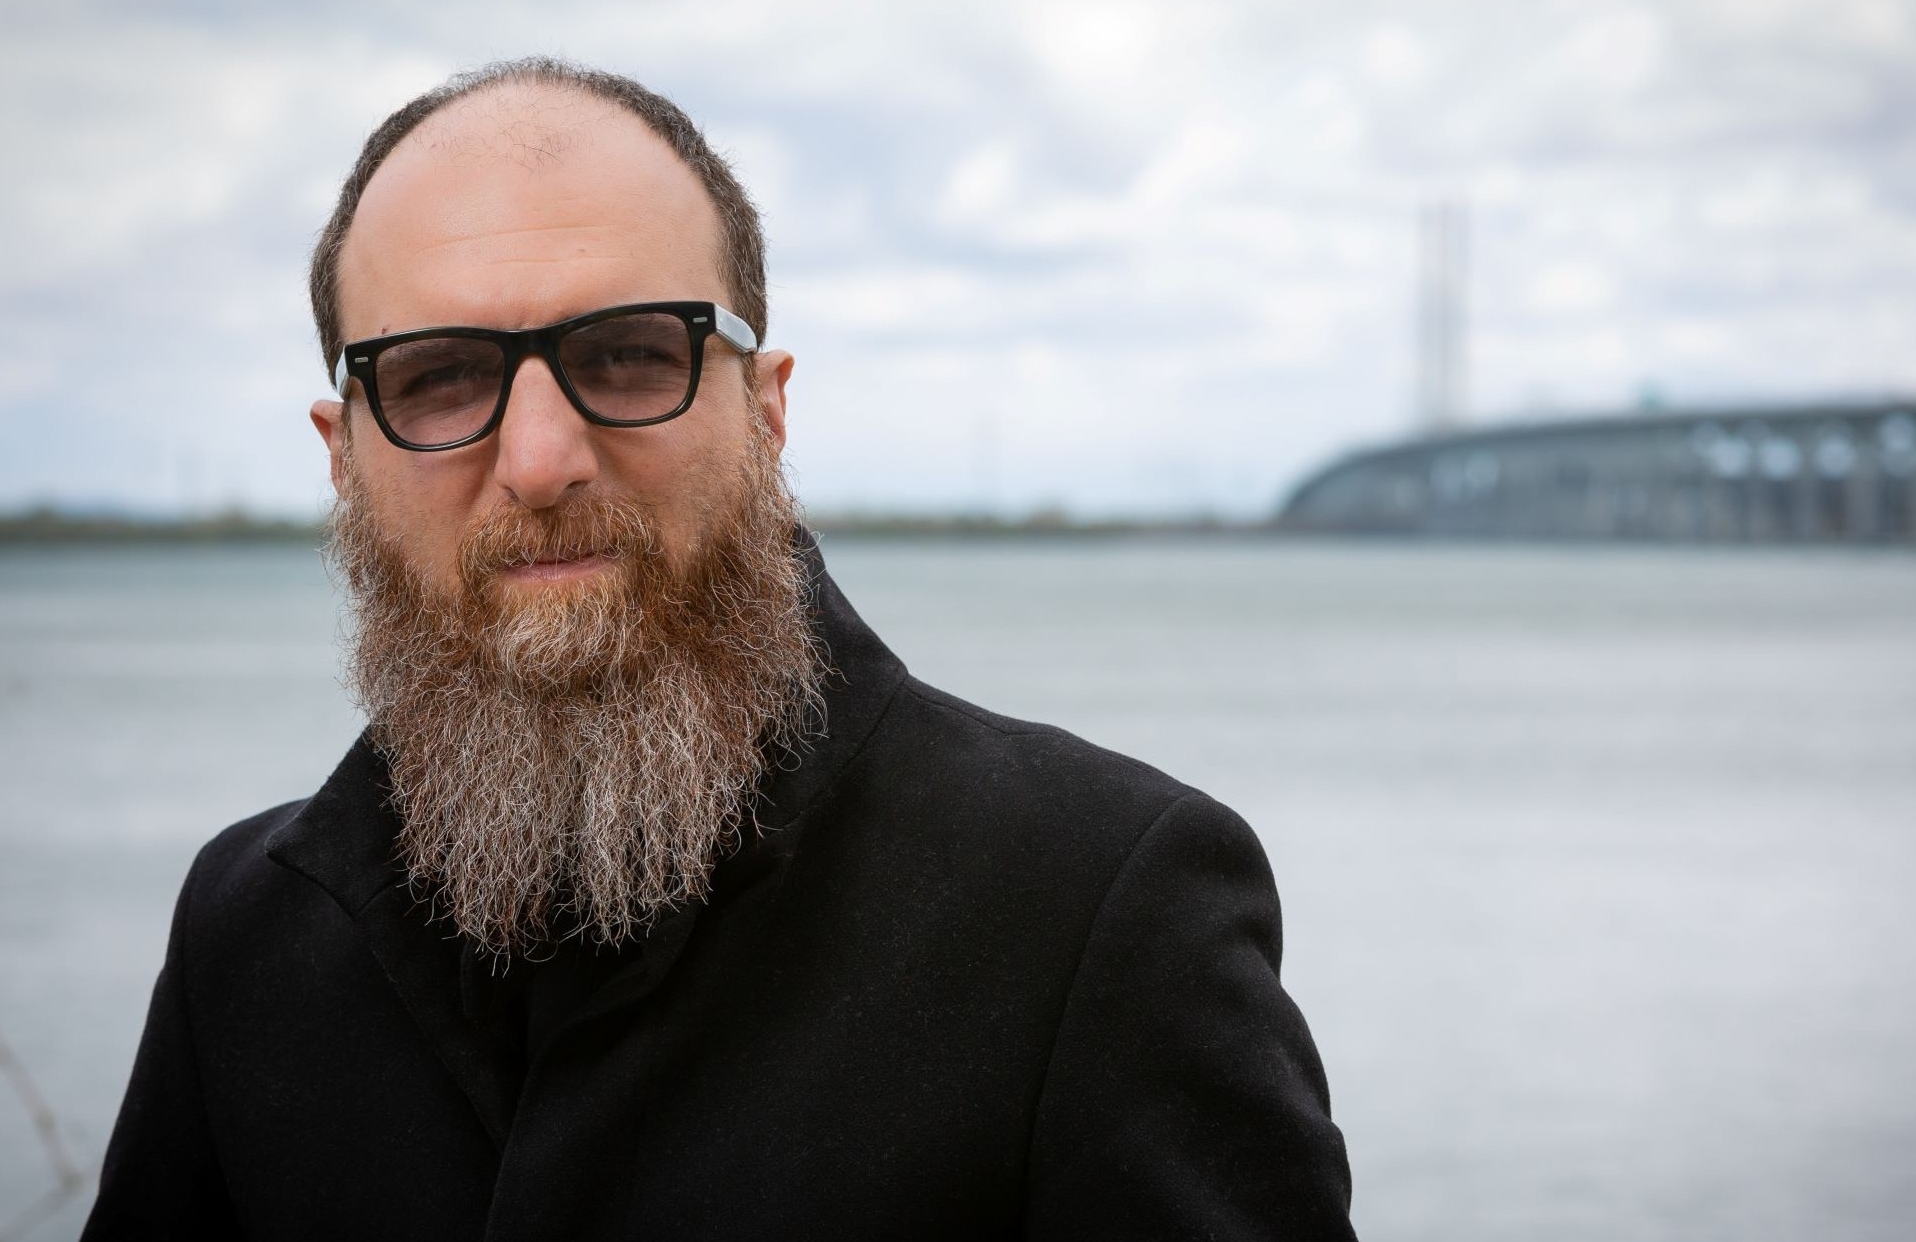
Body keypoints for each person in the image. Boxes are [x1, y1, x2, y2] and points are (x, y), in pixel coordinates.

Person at [83, 58, 1355, 1240]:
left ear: (765, 407)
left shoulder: (1098, 904)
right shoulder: (243, 933)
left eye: (629, 356)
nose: (537, 462)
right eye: (439, 380)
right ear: (342, 454)